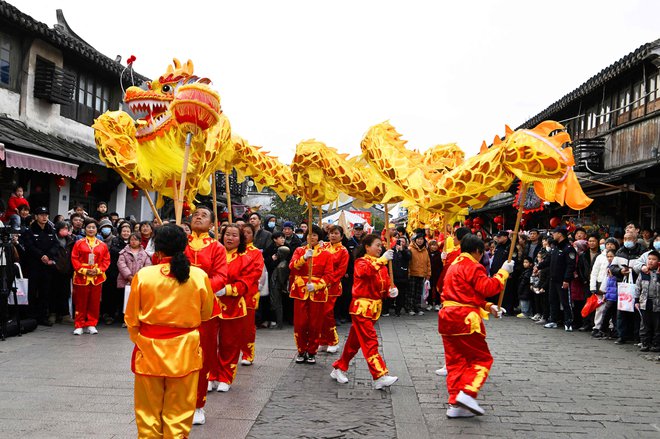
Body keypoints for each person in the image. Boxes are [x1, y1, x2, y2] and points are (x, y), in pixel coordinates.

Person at [125, 224, 214, 438]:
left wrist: (142, 340)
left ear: (157, 247)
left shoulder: (145, 275)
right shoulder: (199, 275)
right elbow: (206, 313)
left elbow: (131, 317)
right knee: (180, 411)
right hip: (185, 348)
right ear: (185, 246)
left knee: (148, 411)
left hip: (149, 348)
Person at [438, 234, 514, 418]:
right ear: (478, 251)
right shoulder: (473, 265)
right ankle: (468, 393)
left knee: (456, 362)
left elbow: (467, 294)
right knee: (481, 359)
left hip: (447, 318)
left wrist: (489, 306)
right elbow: (488, 288)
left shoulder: (454, 265)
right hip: (465, 319)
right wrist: (503, 273)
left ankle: (456, 403)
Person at [331, 234, 399, 389]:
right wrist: (382, 260)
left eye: (381, 246)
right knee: (370, 341)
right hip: (361, 308)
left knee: (354, 343)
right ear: (367, 247)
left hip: (374, 310)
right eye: (377, 245)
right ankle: (379, 375)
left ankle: (339, 368)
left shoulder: (382, 266)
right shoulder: (361, 262)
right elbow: (365, 273)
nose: (380, 248)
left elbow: (385, 285)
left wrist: (392, 291)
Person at [182, 206, 227, 424]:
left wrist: (200, 287)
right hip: (179, 308)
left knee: (203, 355)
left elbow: (221, 276)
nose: (198, 216)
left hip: (206, 310)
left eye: (204, 215)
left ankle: (199, 404)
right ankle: (178, 401)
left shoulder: (217, 247)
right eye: (196, 214)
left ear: (212, 225)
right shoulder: (180, 243)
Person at [209, 224, 254, 393]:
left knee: (229, 343)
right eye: (227, 234)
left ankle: (226, 376)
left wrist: (227, 289)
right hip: (211, 304)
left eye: (234, 235)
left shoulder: (245, 259)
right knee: (210, 343)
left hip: (233, 306)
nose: (229, 238)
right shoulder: (213, 254)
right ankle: (210, 375)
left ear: (241, 239)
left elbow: (246, 283)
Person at [289, 224, 332, 364]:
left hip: (317, 293)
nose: (311, 237)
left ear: (319, 237)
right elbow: (292, 267)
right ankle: (301, 350)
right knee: (300, 324)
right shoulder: (299, 250)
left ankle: (312, 351)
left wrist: (317, 285)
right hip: (300, 291)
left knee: (315, 324)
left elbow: (329, 275)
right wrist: (303, 259)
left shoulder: (326, 254)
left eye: (314, 235)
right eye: (309, 234)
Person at [70, 219, 111, 335]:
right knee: (80, 301)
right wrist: (83, 270)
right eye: (89, 227)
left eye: (93, 227)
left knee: (94, 302)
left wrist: (98, 270)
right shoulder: (79, 243)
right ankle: (79, 324)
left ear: (97, 230)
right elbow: (74, 258)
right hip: (82, 276)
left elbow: (106, 260)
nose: (91, 229)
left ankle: (92, 324)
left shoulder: (102, 245)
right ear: (84, 229)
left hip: (96, 277)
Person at [22, 206, 60, 326]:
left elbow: (55, 244)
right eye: (42, 215)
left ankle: (43, 316)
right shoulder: (30, 230)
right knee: (32, 291)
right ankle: (31, 317)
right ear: (36, 216)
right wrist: (41, 256)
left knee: (45, 292)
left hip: (47, 266)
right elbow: (29, 246)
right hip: (34, 265)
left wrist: (48, 255)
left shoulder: (51, 229)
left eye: (46, 215)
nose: (44, 217)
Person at [319, 225, 349, 354]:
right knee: (320, 314)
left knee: (328, 313)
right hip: (319, 285)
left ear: (341, 236)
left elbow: (341, 271)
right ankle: (323, 341)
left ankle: (333, 341)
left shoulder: (343, 251)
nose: (333, 235)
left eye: (336, 233)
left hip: (332, 286)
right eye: (331, 233)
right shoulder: (323, 246)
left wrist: (328, 281)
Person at [609, 231, 644, 344]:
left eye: (629, 238)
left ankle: (636, 336)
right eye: (625, 238)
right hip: (623, 286)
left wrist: (633, 271)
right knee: (622, 311)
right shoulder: (620, 252)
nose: (627, 241)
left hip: (637, 286)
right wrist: (620, 271)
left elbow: (644, 266)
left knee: (636, 312)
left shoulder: (642, 251)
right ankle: (622, 336)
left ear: (635, 239)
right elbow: (612, 268)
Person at [539, 227, 577, 331]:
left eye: (554, 233)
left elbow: (571, 265)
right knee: (552, 300)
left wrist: (566, 279)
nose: (553, 236)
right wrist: (538, 267)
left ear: (560, 234)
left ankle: (568, 321)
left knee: (565, 302)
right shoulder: (554, 247)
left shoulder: (568, 248)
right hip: (553, 279)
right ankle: (553, 320)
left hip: (562, 280)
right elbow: (548, 260)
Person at [239, 224, 266, 366]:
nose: (245, 235)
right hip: (231, 293)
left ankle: (247, 353)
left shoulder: (256, 252)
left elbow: (256, 272)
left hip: (248, 291)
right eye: (242, 232)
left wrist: (240, 281)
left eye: (248, 232)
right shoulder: (230, 250)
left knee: (247, 326)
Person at [117, 232, 151, 316]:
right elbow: (121, 264)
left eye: (136, 240)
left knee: (138, 300)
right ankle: (125, 318)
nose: (133, 242)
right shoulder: (123, 252)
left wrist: (139, 276)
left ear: (140, 241)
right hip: (126, 280)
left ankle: (136, 316)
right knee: (125, 299)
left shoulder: (145, 254)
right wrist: (129, 276)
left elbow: (148, 265)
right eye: (131, 240)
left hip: (140, 280)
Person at [635, 250, 660, 352]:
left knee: (657, 325)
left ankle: (656, 344)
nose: (651, 261)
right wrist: (636, 300)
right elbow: (637, 287)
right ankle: (645, 343)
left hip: (657, 304)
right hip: (644, 302)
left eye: (654, 259)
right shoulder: (643, 273)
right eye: (649, 259)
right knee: (645, 324)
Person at [408, 233, 431, 316]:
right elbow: (408, 263)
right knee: (411, 292)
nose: (420, 241)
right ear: (415, 240)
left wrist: (428, 274)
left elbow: (428, 263)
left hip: (422, 274)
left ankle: (417, 308)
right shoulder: (410, 249)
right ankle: (410, 308)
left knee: (418, 293)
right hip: (413, 274)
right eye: (418, 239)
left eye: (421, 239)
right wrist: (409, 273)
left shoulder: (425, 251)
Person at [270, 245, 291, 329]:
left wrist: (283, 287)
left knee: (277, 305)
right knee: (276, 304)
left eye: (279, 252)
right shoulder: (281, 263)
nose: (277, 253)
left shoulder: (282, 265)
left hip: (276, 286)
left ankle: (279, 323)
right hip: (275, 285)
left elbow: (282, 279)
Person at [427, 239, 444, 311]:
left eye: (435, 245)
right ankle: (430, 303)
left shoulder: (440, 254)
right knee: (429, 288)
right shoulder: (427, 253)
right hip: (429, 273)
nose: (434, 247)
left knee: (437, 289)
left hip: (437, 274)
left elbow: (442, 264)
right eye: (432, 245)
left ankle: (437, 303)